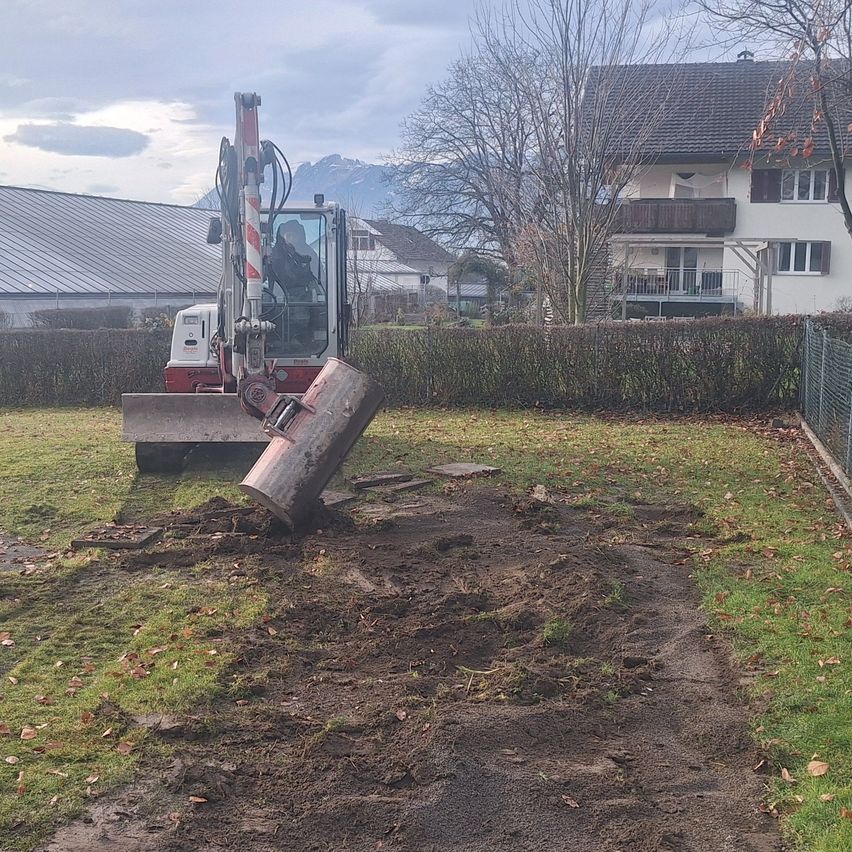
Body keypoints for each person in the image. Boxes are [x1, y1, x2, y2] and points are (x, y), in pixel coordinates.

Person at [268, 219, 322, 303]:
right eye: (288, 235)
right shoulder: (273, 254)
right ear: (283, 237)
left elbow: (320, 275)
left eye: (294, 235)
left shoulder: (309, 253)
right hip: (276, 300)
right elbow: (263, 276)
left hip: (304, 301)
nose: (291, 238)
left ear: (299, 237)